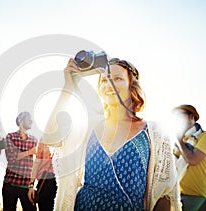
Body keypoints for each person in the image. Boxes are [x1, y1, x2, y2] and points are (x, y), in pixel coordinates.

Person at [42, 57, 181, 210]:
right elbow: (50, 137)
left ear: (132, 86)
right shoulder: (88, 128)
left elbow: (164, 195)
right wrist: (68, 87)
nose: (109, 84)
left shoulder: (155, 133)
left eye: (117, 78)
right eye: (104, 80)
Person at [172, 105, 206, 211]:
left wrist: (179, 140)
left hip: (199, 198)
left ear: (191, 117)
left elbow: (193, 159)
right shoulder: (179, 144)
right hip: (177, 196)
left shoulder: (203, 136)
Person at [2, 111, 37, 211]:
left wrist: (32, 185)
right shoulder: (10, 137)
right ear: (20, 120)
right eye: (28, 118)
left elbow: (36, 163)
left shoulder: (34, 140)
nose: (31, 121)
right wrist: (30, 152)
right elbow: (11, 158)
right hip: (10, 184)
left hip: (26, 186)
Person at [27, 140, 57, 210]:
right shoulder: (44, 139)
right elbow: (37, 163)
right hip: (45, 181)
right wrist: (31, 185)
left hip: (60, 181)